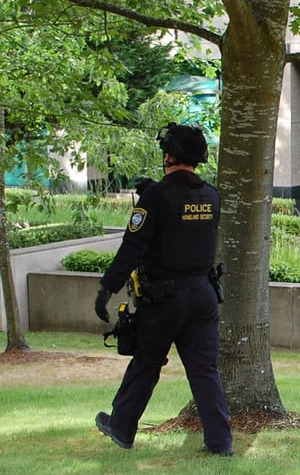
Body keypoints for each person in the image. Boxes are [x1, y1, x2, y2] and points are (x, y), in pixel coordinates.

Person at [93, 122, 234, 456]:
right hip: (203, 295)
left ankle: (122, 427)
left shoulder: (155, 196)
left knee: (147, 362)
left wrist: (107, 289)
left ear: (169, 154)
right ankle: (220, 442)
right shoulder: (211, 195)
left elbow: (133, 246)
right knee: (204, 371)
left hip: (165, 298)